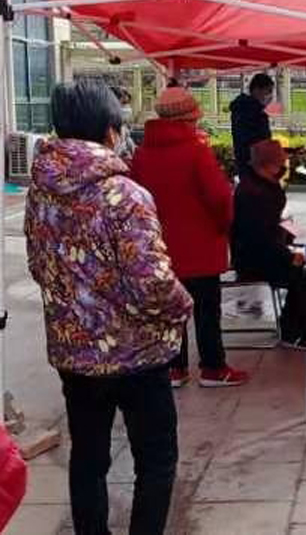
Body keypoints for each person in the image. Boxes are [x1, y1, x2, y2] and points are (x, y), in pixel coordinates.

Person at [24, 81, 193, 535]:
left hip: (75, 356)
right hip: (138, 357)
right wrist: (183, 305)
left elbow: (39, 266)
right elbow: (153, 283)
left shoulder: (41, 193)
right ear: (110, 132)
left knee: (88, 459)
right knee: (156, 460)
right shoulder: (125, 196)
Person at [131, 87, 249, 388]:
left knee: (171, 310)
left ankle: (175, 368)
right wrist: (224, 226)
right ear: (186, 119)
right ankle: (213, 368)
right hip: (201, 246)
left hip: (159, 247)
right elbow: (220, 197)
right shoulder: (196, 151)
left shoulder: (141, 154)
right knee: (207, 310)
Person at [231, 139, 306, 348]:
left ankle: (294, 328)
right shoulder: (255, 193)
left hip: (261, 251)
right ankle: (293, 333)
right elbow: (261, 236)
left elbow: (271, 226)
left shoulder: (262, 185)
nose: (284, 166)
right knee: (305, 274)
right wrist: (290, 256)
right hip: (254, 258)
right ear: (268, 165)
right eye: (281, 163)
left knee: (304, 271)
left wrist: (294, 236)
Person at [230, 73, 275, 318]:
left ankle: (248, 295)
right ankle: (252, 297)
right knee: (257, 234)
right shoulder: (254, 114)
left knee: (247, 235)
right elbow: (260, 147)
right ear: (258, 90)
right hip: (256, 177)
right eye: (268, 92)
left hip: (247, 175)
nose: (269, 97)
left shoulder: (240, 111)